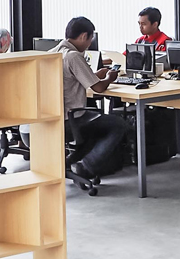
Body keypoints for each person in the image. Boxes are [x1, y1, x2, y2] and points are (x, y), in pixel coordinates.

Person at [50, 17, 126, 179]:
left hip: (53, 118)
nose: (90, 44)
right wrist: (110, 78)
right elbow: (98, 88)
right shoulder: (73, 56)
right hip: (71, 118)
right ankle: (87, 165)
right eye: (90, 39)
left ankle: (70, 162)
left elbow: (72, 79)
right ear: (84, 36)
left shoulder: (54, 53)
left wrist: (95, 75)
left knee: (96, 126)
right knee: (118, 124)